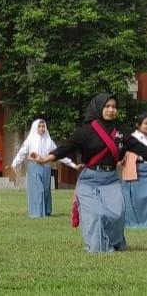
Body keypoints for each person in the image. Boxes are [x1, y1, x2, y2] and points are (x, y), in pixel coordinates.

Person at [35, 93, 127, 253]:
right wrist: (45, 159)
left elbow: (125, 150)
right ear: (98, 108)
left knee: (118, 213)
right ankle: (98, 246)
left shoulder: (118, 132)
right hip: (90, 179)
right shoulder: (86, 131)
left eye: (114, 107)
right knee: (97, 214)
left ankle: (114, 242)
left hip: (111, 179)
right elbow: (66, 148)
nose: (111, 110)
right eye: (107, 106)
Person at [10, 119, 79, 218]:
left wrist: (72, 164)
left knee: (46, 190)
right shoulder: (30, 140)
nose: (42, 128)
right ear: (35, 127)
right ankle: (36, 213)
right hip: (34, 167)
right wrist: (15, 163)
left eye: (43, 126)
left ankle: (46, 211)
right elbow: (22, 153)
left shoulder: (49, 141)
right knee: (38, 190)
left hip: (46, 168)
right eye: (39, 126)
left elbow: (59, 154)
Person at [122, 113, 147, 228]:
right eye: (146, 124)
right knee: (136, 199)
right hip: (137, 171)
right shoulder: (130, 139)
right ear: (138, 125)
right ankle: (136, 223)